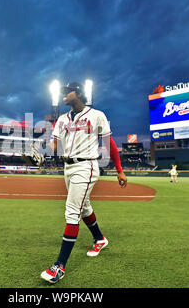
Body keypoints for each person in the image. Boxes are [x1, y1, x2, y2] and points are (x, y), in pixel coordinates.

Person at [40, 82, 127, 283]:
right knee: (84, 207)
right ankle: (100, 239)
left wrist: (120, 170)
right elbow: (55, 144)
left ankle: (59, 266)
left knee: (72, 210)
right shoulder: (62, 119)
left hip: (85, 167)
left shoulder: (97, 115)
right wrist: (42, 153)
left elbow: (110, 144)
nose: (63, 94)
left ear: (78, 94)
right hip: (67, 168)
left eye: (66, 91)